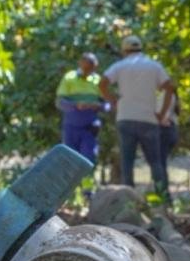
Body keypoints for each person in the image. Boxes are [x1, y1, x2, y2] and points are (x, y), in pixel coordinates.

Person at [100, 35, 176, 197]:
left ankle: (129, 199)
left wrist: (112, 100)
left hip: (125, 117)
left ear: (124, 50)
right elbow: (169, 87)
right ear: (141, 48)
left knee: (127, 161)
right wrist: (162, 113)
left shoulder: (120, 66)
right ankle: (162, 196)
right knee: (155, 161)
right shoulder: (154, 66)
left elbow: (103, 83)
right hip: (148, 119)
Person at [55, 53, 104, 163]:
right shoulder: (69, 78)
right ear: (80, 64)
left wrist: (98, 106)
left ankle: (88, 180)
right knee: (70, 159)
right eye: (86, 68)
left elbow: (107, 105)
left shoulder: (98, 80)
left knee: (88, 159)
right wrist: (76, 105)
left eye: (91, 69)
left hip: (90, 127)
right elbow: (59, 102)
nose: (88, 72)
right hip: (71, 126)